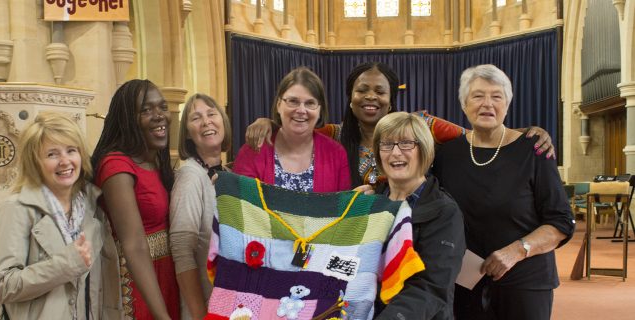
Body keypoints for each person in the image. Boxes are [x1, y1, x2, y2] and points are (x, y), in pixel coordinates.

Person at [245, 62, 555, 190]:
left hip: (407, 237)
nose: (371, 97)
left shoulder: (422, 126)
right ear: (350, 98)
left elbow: (476, 136)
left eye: (380, 91)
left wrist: (527, 132)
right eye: (362, 90)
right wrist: (269, 124)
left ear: (391, 100)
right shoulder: (332, 135)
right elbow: (296, 129)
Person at [432, 64, 575, 320]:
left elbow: (561, 221)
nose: (487, 103)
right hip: (465, 281)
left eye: (496, 96)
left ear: (507, 105)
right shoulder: (447, 155)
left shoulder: (534, 151)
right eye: (477, 96)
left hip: (525, 281)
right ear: (464, 104)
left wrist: (516, 251)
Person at [0, 112, 122, 319]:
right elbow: (3, 286)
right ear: (34, 161)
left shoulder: (91, 208)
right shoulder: (15, 209)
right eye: (52, 154)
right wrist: (65, 265)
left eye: (71, 150)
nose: (65, 161)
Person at [92, 79, 180, 320]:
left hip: (168, 274)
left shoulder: (155, 160)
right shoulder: (117, 166)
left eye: (162, 107)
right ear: (127, 119)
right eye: (146, 110)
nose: (159, 115)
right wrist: (162, 316)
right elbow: (134, 245)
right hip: (138, 284)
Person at [371, 112, 466, 320]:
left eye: (406, 144)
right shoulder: (371, 203)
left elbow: (430, 288)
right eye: (386, 144)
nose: (395, 153)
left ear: (423, 150)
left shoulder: (445, 212)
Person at [233, 66, 351, 192]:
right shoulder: (253, 150)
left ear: (320, 110)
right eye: (293, 101)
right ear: (279, 105)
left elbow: (343, 207)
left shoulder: (336, 154)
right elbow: (241, 206)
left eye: (310, 103)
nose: (301, 110)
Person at [170, 93, 231, 319]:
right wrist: (199, 314)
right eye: (196, 118)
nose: (206, 121)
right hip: (205, 308)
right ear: (187, 133)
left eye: (212, 114)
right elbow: (182, 250)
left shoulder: (231, 175)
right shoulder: (190, 175)